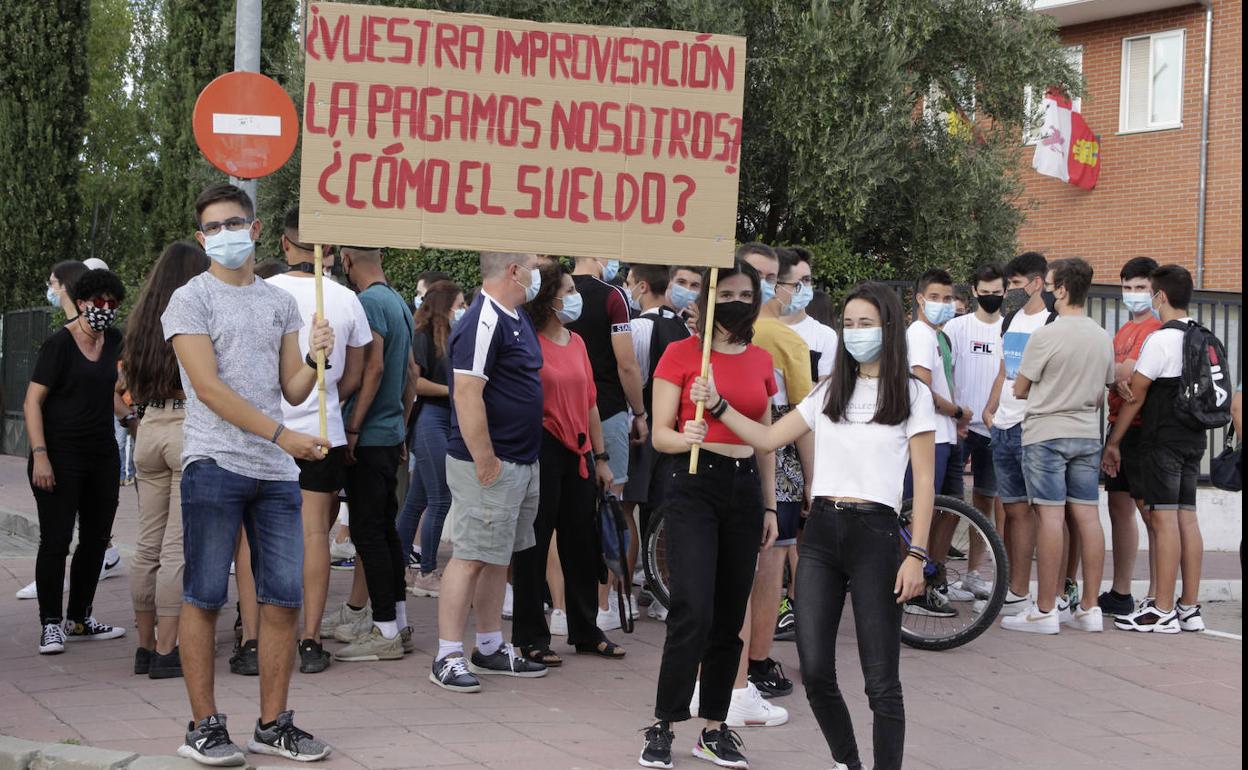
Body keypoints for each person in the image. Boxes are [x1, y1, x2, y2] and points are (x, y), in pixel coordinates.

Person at [687, 281, 934, 770]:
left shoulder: (912, 394)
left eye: (867, 323)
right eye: (850, 323)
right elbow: (768, 436)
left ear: (890, 328)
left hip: (877, 535)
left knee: (881, 679)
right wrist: (717, 406)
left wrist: (918, 554)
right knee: (816, 671)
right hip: (820, 533)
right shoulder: (828, 391)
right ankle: (848, 762)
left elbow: (923, 482)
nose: (856, 332)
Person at [163, 183, 333, 765]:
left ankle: (273, 724)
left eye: (234, 223)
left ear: (256, 229)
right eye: (213, 228)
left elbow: (292, 388)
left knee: (283, 602)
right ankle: (204, 727)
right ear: (201, 236)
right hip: (213, 463)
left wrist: (315, 358)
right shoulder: (189, 300)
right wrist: (285, 437)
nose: (225, 235)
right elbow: (208, 389)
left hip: (275, 472)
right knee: (205, 597)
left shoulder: (281, 302)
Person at [638, 260, 779, 770]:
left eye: (748, 295)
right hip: (692, 484)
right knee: (692, 608)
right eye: (731, 293)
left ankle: (715, 729)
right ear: (710, 299)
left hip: (743, 489)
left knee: (728, 614)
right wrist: (686, 436)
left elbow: (765, 442)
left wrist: (769, 504)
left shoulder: (762, 360)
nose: (739, 303)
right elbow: (660, 435)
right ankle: (663, 723)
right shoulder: (681, 355)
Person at [430, 252, 549, 693]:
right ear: (514, 271)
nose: (539, 272)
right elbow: (466, 392)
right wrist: (485, 459)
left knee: (498, 554)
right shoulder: (483, 321)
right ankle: (447, 654)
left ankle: (490, 644)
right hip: (491, 464)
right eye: (533, 264)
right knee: (471, 555)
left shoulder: (515, 316)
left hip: (518, 460)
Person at [266, 209, 372, 673]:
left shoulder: (262, 295)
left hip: (268, 431)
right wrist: (328, 395)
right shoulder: (346, 299)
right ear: (328, 250)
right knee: (315, 535)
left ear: (284, 245)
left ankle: (256, 635)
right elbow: (358, 372)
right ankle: (310, 638)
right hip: (321, 430)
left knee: (259, 537)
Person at [512, 262, 624, 665]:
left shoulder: (576, 342)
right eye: (569, 289)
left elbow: (591, 402)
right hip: (541, 448)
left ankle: (586, 629)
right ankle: (530, 636)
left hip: (579, 453)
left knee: (581, 543)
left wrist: (601, 457)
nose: (575, 296)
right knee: (534, 544)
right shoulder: (526, 341)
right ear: (550, 297)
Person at [1003, 258, 1113, 634]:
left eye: (1050, 285)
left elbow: (1020, 388)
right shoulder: (1101, 335)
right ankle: (1090, 608)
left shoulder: (1046, 336)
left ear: (1063, 289)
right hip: (1086, 433)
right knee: (1087, 516)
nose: (1048, 291)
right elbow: (1105, 387)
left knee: (1049, 517)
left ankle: (1046, 609)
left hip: (1046, 434)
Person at [25, 268, 130, 655]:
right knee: (56, 540)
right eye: (99, 302)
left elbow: (106, 391)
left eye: (112, 303)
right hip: (58, 454)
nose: (105, 309)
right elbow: (32, 402)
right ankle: (51, 623)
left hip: (101, 454)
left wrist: (131, 420)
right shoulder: (59, 345)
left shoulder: (114, 340)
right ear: (83, 302)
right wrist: (40, 456)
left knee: (96, 540)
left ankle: (81, 617)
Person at [1104, 265, 1211, 634]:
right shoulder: (1203, 335)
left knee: (1163, 521)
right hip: (1194, 438)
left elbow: (1136, 393)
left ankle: (1161, 609)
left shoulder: (1161, 339)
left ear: (1160, 296)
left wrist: (1114, 441)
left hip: (1162, 440)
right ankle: (1189, 607)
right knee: (1187, 520)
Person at [124, 242, 210, 679]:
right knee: (177, 547)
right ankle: (165, 649)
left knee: (147, 544)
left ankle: (142, 647)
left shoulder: (141, 321)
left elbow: (127, 379)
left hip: (148, 428)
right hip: (185, 428)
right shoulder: (193, 311)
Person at [331, 245, 417, 663]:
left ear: (347, 261)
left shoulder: (367, 302)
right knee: (384, 529)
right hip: (389, 431)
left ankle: (383, 630)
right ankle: (397, 623)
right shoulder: (398, 300)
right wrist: (401, 421)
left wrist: (353, 425)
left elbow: (374, 367)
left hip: (368, 436)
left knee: (368, 532)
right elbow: (412, 374)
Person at [736, 243, 811, 714]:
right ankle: (755, 664)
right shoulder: (785, 339)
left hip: (733, 455)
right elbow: (803, 418)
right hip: (777, 462)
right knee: (769, 565)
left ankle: (737, 669)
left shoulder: (714, 334)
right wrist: (813, 479)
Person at [565, 256, 649, 627]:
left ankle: (560, 607)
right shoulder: (613, 296)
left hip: (558, 412)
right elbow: (626, 363)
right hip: (609, 409)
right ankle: (603, 606)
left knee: (558, 514)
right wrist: (641, 412)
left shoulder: (551, 289)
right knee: (610, 509)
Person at [773, 247, 839, 643]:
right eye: (797, 282)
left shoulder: (823, 336)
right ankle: (779, 602)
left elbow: (823, 396)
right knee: (777, 530)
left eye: (809, 281)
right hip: (772, 434)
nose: (804, 289)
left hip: (810, 434)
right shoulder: (760, 329)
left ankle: (797, 605)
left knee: (802, 527)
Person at [984, 251, 1053, 615]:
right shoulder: (1009, 321)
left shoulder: (1052, 322)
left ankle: (1049, 592)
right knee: (1013, 512)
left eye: (1014, 284)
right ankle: (1016, 588)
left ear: (1036, 283)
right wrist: (990, 407)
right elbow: (1002, 371)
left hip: (1035, 428)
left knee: (1046, 512)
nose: (1009, 290)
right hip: (1004, 427)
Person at [621, 263, 691, 620]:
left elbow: (634, 374)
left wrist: (638, 415)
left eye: (629, 283)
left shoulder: (639, 327)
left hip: (644, 426)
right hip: (677, 429)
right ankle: (662, 586)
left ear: (642, 285)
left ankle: (624, 594)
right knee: (663, 508)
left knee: (627, 508)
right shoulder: (681, 325)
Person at [903, 269, 970, 618]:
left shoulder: (939, 336)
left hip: (948, 434)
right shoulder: (919, 334)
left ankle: (933, 577)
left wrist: (956, 420)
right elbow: (922, 389)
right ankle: (913, 588)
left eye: (948, 299)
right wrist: (958, 411)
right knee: (921, 512)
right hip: (930, 435)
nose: (943, 304)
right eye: (935, 298)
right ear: (919, 299)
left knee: (950, 509)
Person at [1098, 257, 1162, 617]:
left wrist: (1117, 374)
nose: (1133, 294)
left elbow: (1131, 375)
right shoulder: (1122, 331)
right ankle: (1121, 593)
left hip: (1141, 431)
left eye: (1140, 288)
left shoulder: (1155, 329)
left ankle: (1156, 593)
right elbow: (1114, 373)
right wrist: (1116, 375)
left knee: (1151, 514)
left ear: (1154, 292)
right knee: (1118, 507)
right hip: (1116, 426)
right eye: (1127, 288)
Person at [941, 263, 1005, 601]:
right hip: (958, 428)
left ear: (1005, 292)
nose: (991, 297)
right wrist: (955, 414)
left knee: (984, 503)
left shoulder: (1009, 329)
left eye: (997, 292)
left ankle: (974, 574)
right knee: (948, 502)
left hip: (995, 431)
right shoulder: (956, 327)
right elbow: (943, 372)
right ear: (975, 290)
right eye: (986, 291)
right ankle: (935, 571)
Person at [401, 280, 467, 598]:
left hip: (444, 420)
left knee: (417, 501)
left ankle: (400, 565)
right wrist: (454, 392)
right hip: (431, 420)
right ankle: (426, 572)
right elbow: (418, 384)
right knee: (440, 499)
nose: (463, 309)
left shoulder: (449, 338)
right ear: (446, 306)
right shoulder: (423, 337)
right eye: (460, 304)